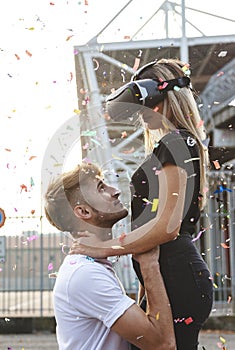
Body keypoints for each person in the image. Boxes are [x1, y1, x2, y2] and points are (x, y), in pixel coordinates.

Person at [69, 58, 214, 350]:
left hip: (178, 274)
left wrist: (102, 248)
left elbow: (168, 228)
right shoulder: (175, 144)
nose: (139, 114)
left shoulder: (178, 142)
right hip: (165, 275)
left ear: (162, 97)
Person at [44, 162, 176, 350]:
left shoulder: (92, 264)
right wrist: (149, 266)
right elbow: (162, 344)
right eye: (101, 188)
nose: (115, 191)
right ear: (83, 211)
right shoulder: (84, 274)